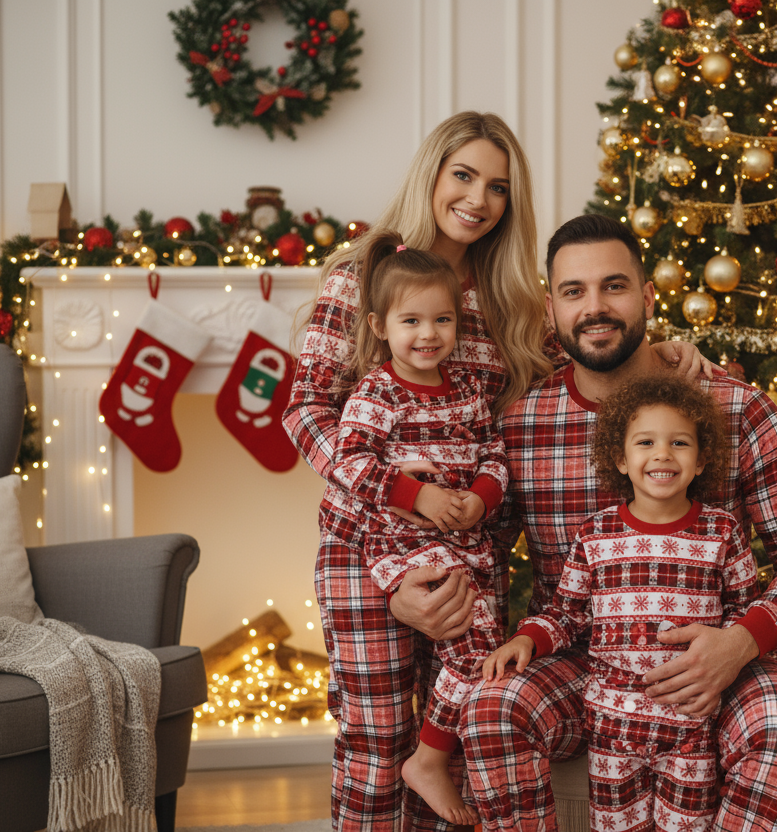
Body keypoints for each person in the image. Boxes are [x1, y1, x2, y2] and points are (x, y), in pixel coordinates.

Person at [283, 111, 709, 831]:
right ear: (432, 175)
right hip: (370, 546)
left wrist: (664, 350)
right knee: (377, 740)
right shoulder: (362, 279)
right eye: (464, 176)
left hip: (467, 549)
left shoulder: (506, 294)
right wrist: (402, 505)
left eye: (499, 187)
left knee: (450, 740)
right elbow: (306, 412)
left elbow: (589, 341)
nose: (479, 199)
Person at [462, 214, 777, 832]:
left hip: (715, 658)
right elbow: (480, 550)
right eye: (574, 291)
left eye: (614, 286)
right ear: (552, 310)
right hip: (578, 662)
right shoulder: (522, 422)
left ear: (647, 295)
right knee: (490, 709)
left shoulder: (734, 406)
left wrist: (741, 642)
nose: (595, 307)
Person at [484, 373, 759, 831]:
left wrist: (727, 653)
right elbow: (566, 613)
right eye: (646, 442)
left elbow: (744, 613)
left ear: (701, 460)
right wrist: (527, 640)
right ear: (621, 459)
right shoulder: (596, 534)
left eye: (679, 443)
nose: (662, 454)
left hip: (690, 727)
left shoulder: (722, 532)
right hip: (613, 728)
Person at [330, 233, 506, 825]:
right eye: (411, 321)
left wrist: (480, 499)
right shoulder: (376, 391)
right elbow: (350, 462)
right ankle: (427, 760)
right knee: (475, 647)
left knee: (481, 656)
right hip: (404, 547)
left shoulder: (469, 393)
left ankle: (431, 757)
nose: (428, 334)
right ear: (380, 327)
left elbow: (495, 455)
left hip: (465, 545)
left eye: (442, 320)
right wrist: (419, 495)